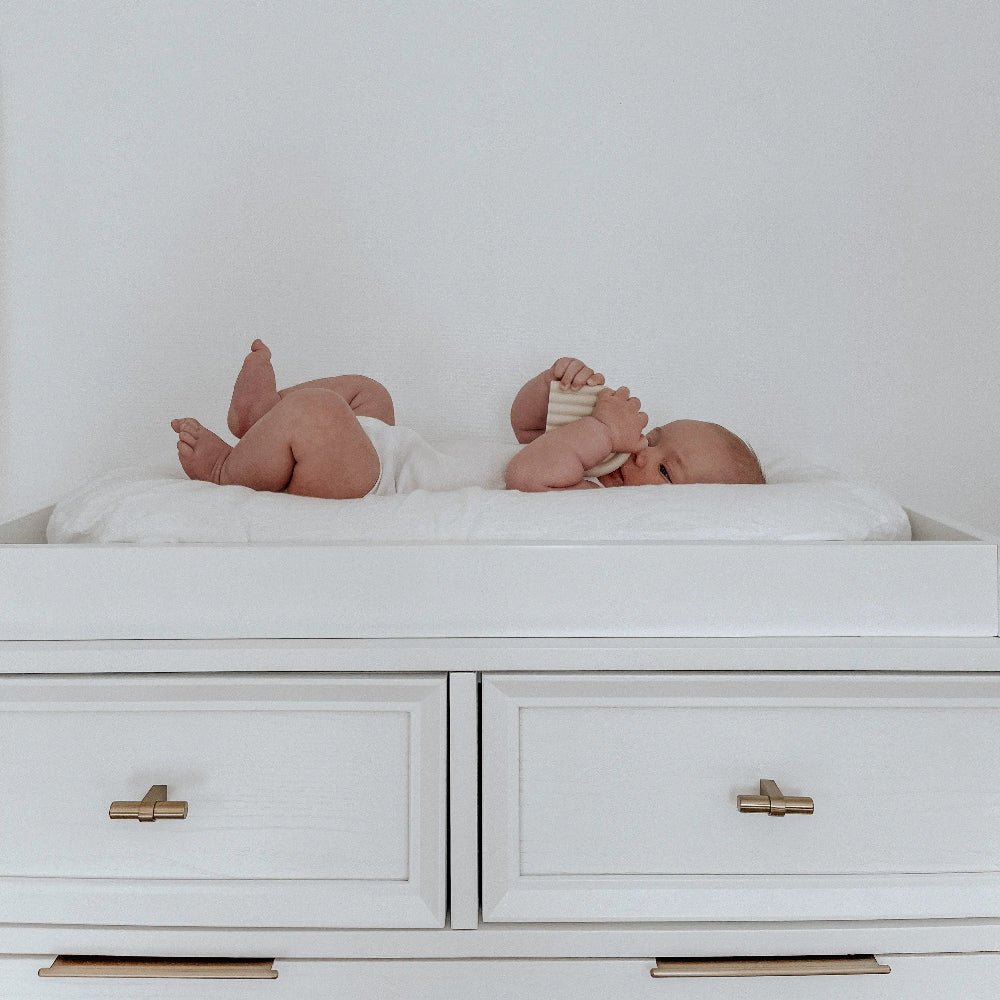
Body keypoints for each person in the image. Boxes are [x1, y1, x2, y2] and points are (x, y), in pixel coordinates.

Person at [171, 344, 764, 499]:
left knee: (322, 414)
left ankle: (229, 468)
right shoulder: (595, 462)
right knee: (368, 395)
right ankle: (260, 422)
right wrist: (555, 386)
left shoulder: (589, 503)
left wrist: (604, 431)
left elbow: (527, 472)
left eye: (663, 469)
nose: (639, 452)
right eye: (652, 439)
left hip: (372, 486)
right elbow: (526, 429)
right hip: (392, 451)